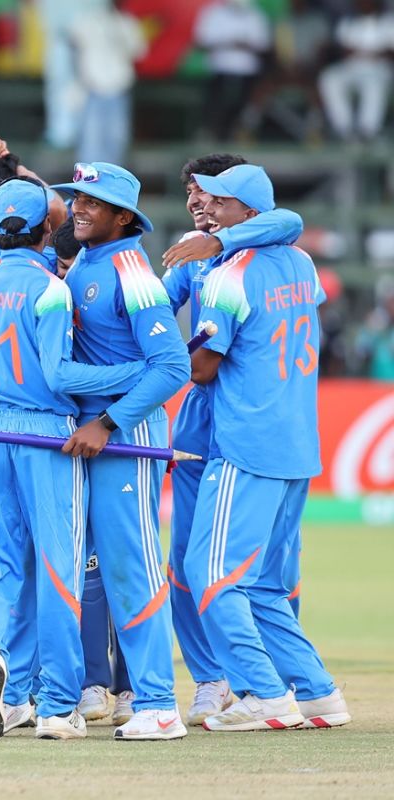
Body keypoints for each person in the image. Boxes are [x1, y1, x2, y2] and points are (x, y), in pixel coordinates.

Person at [0, 178, 150, 741]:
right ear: (48, 227)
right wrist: (137, 371)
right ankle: (59, 706)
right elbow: (59, 374)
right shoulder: (50, 288)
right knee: (58, 571)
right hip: (43, 434)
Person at [185, 164, 351, 731]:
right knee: (262, 585)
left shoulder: (229, 275)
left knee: (211, 574)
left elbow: (202, 368)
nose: (209, 211)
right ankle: (318, 693)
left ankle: (264, 694)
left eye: (220, 203)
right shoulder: (301, 263)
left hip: (246, 442)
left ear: (249, 214)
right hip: (297, 442)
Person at [157, 154, 305, 726]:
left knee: (266, 563)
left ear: (242, 203)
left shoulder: (267, 246)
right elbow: (154, 307)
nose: (197, 203)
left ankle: (267, 679)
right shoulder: (191, 251)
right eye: (192, 194)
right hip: (204, 415)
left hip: (251, 411)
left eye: (210, 195)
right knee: (188, 557)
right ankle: (211, 679)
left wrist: (217, 243)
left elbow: (288, 219)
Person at [49, 162, 190, 740]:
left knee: (132, 567)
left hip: (125, 438)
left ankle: (158, 703)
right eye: (76, 199)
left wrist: (107, 423)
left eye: (92, 202)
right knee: (91, 570)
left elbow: (173, 367)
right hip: (91, 435)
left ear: (124, 216)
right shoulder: (86, 260)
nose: (78, 209)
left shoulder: (133, 271)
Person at [67, 0, 145, 165]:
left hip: (118, 88)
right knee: (91, 141)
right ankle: (88, 180)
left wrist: (118, 34)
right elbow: (72, 43)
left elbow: (139, 51)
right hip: (92, 89)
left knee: (117, 138)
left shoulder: (126, 22)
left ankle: (112, 179)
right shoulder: (86, 20)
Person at [193, 0, 271, 141]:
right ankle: (210, 132)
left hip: (248, 71)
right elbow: (201, 41)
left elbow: (264, 44)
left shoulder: (255, 15)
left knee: (245, 103)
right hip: (219, 68)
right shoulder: (214, 13)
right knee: (216, 102)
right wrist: (228, 42)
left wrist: (245, 44)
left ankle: (239, 133)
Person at [318, 0, 394, 142]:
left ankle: (368, 130)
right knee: (329, 77)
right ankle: (344, 128)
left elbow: (390, 53)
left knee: (373, 83)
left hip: (380, 68)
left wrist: (368, 53)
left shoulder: (389, 22)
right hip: (352, 67)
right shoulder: (348, 22)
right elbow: (342, 51)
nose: (364, 3)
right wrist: (372, 52)